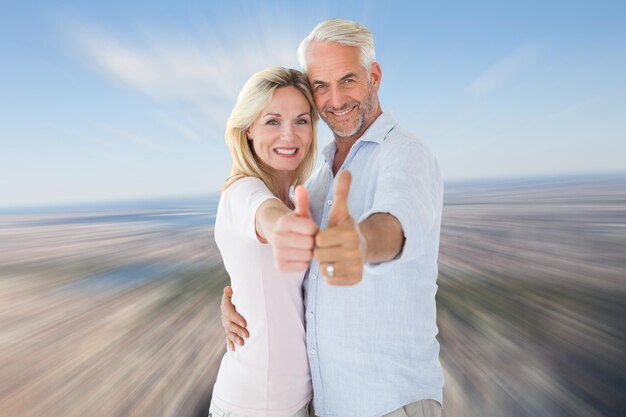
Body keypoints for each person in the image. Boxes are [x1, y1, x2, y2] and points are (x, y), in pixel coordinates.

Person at [222, 19, 444, 417]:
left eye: (348, 80)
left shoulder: (405, 155)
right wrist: (239, 296)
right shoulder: (321, 178)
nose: (336, 99)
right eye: (321, 86)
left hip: (390, 403)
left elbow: (396, 222)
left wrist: (360, 244)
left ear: (374, 76)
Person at [209, 67, 319, 417]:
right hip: (253, 407)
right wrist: (289, 230)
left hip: (295, 403)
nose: (289, 134)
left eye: (301, 121)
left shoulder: (296, 197)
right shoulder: (243, 192)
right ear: (248, 130)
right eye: (273, 121)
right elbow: (270, 219)